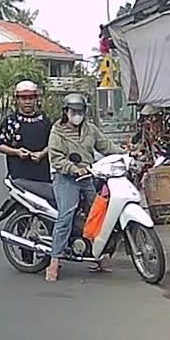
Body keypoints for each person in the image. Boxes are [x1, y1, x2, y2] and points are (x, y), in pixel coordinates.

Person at [46, 92, 123, 282]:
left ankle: (97, 257)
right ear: (66, 112)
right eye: (73, 112)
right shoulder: (57, 131)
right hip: (66, 178)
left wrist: (126, 153)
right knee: (66, 215)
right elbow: (56, 158)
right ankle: (54, 261)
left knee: (98, 213)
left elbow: (106, 146)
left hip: (88, 176)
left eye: (80, 112)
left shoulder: (90, 129)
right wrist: (74, 169)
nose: (77, 115)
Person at [0, 80, 52, 183]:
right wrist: (16, 152)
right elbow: (1, 145)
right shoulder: (10, 121)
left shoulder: (44, 120)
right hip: (18, 177)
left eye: (31, 98)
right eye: (23, 98)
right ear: (17, 100)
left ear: (36, 99)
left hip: (43, 177)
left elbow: (53, 143)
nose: (27, 102)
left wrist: (42, 153)